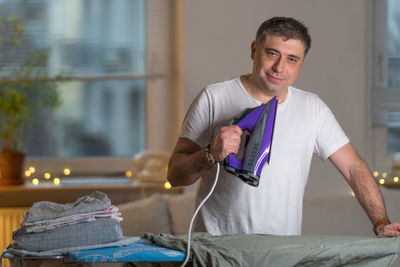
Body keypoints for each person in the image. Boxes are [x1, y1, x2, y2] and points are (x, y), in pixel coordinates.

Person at [167, 17, 400, 238]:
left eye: (292, 59)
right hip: (217, 249)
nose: (279, 67)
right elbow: (175, 175)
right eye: (272, 54)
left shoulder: (312, 108)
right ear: (253, 50)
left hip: (280, 252)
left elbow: (353, 168)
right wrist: (210, 154)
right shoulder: (213, 97)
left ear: (301, 63)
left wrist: (380, 223)